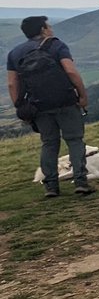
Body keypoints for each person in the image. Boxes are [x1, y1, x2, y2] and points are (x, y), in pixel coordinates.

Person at [6, 16, 94, 197]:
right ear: (43, 29)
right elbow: (70, 71)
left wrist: (21, 107)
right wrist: (82, 95)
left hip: (38, 106)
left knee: (49, 143)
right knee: (75, 140)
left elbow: (12, 84)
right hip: (65, 101)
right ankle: (81, 182)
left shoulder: (15, 53)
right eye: (49, 26)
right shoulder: (57, 46)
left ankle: (51, 187)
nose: (51, 29)